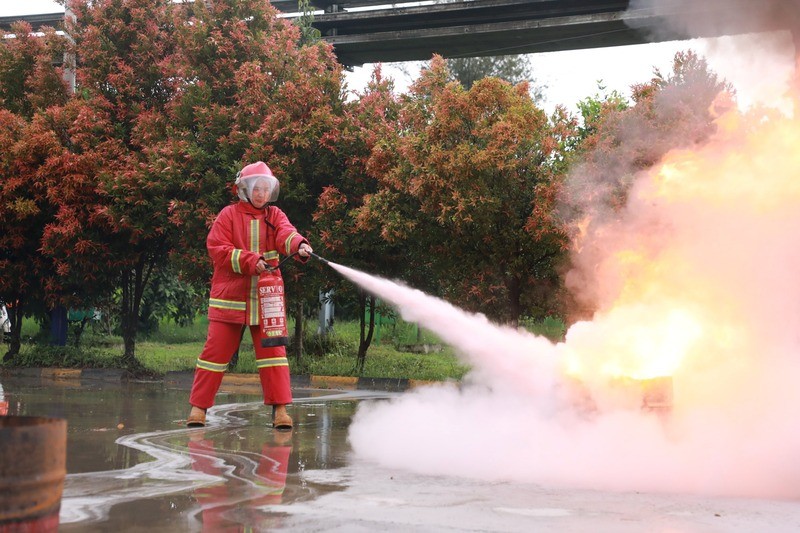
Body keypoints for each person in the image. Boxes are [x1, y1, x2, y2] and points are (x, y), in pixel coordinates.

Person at [186, 161, 312, 430]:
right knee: (213, 355)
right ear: (244, 189)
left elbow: (285, 234)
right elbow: (216, 248)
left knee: (275, 355)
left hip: (267, 300)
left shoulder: (275, 215)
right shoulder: (228, 215)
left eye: (266, 189)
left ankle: (280, 411)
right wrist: (248, 261)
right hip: (229, 300)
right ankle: (198, 409)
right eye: (257, 188)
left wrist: (299, 244)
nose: (261, 193)